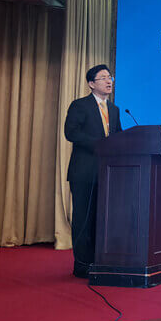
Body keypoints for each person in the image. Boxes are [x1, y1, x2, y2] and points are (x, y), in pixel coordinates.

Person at [64, 64, 122, 278]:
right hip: (84, 172)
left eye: (110, 77)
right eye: (103, 77)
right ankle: (81, 265)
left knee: (101, 219)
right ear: (91, 83)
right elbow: (71, 133)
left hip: (107, 174)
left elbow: (118, 135)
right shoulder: (80, 105)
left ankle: (98, 261)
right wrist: (99, 144)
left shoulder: (114, 109)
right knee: (83, 219)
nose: (108, 81)